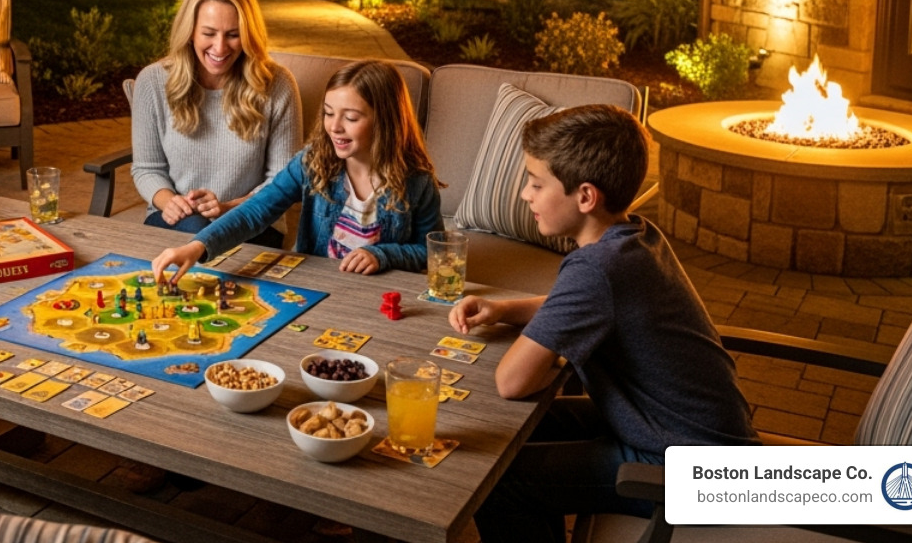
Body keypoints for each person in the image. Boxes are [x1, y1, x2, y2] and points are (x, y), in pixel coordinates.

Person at [451, 105, 757, 543]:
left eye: (536, 183)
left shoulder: (596, 269)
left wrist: (533, 339)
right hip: (694, 434)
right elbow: (585, 305)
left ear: (586, 196)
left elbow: (511, 382)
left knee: (501, 480)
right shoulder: (633, 237)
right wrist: (505, 309)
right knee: (521, 433)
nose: (525, 194)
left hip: (696, 472)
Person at [152, 60, 440, 281]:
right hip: (317, 286)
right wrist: (197, 246)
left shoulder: (417, 181)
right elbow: (255, 211)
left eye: (350, 117)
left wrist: (381, 255)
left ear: (385, 122)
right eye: (328, 113)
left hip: (379, 294)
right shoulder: (311, 162)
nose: (334, 127)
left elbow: (431, 252)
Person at [133, 0, 301, 245]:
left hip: (252, 221)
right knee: (196, 230)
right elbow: (146, 168)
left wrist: (228, 208)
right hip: (175, 221)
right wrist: (170, 201)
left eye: (234, 35)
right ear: (190, 31)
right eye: (209, 33)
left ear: (248, 34)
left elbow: (284, 181)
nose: (220, 47)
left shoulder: (278, 85)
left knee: (207, 243)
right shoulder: (152, 82)